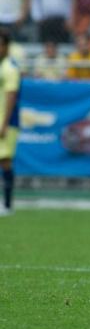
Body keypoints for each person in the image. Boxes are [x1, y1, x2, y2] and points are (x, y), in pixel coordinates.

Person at [0, 31, 19, 216]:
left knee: (5, 161)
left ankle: (7, 204)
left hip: (5, 123)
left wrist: (4, 124)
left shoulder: (10, 68)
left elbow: (11, 96)